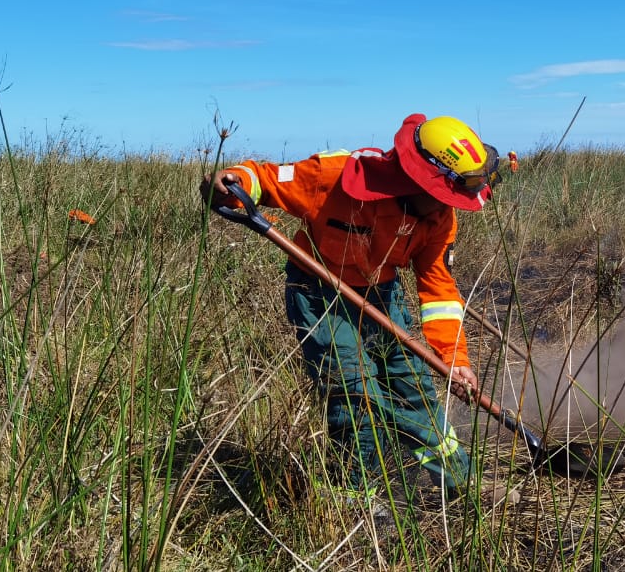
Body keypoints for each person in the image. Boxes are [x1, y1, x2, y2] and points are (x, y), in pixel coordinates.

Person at [199, 114, 502, 510]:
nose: (451, 206)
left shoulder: (440, 217)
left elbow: (438, 287)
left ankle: (459, 483)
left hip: (382, 293)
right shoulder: (336, 176)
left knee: (415, 388)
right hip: (319, 291)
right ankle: (352, 499)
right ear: (419, 177)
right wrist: (233, 180)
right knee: (355, 393)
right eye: (447, 195)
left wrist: (454, 358)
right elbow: (265, 178)